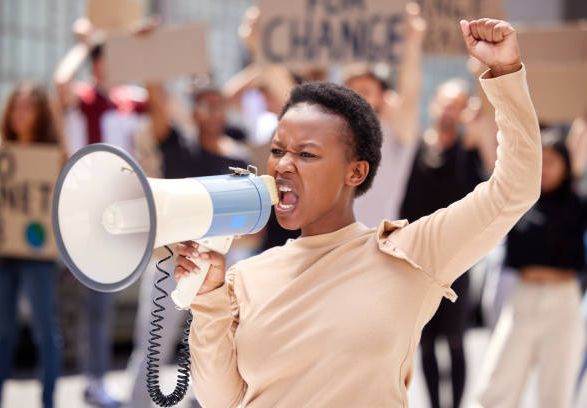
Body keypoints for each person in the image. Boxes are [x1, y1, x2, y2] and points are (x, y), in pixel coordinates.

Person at [174, 18, 542, 407]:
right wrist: (210, 301)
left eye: (307, 153)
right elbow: (220, 401)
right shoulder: (244, 277)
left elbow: (515, 187)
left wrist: (505, 74)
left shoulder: (410, 255)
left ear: (356, 171)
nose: (282, 165)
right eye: (278, 150)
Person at [126, 82, 249, 408]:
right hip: (171, 262)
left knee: (214, 343)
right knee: (152, 347)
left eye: (219, 105)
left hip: (220, 264)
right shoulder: (178, 146)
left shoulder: (239, 158)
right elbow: (156, 104)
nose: (213, 113)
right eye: (206, 105)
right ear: (194, 112)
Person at [53, 18, 151, 408]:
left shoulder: (131, 99)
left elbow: (165, 106)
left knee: (104, 302)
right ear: (96, 65)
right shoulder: (84, 98)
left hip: (122, 211)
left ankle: (95, 379)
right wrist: (82, 43)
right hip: (85, 210)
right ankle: (92, 380)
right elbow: (59, 85)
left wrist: (146, 48)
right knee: (89, 302)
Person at [472, 134, 586, 408]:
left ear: (567, 165)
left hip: (563, 302)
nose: (546, 168)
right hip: (522, 299)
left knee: (555, 393)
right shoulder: (519, 201)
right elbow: (494, 165)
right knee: (496, 387)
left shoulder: (578, 205)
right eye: (541, 161)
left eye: (553, 161)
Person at [399, 78, 485, 408]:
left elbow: (479, 190)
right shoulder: (416, 149)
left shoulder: (468, 151)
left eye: (458, 104)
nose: (450, 110)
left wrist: (473, 135)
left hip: (457, 259)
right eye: (447, 103)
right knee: (426, 340)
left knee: (455, 339)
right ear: (434, 104)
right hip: (418, 260)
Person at [0, 82, 63, 408]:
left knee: (45, 331)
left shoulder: (56, 155)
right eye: (16, 105)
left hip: (37, 256)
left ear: (41, 113)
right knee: (4, 331)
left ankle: (47, 401)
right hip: (2, 254)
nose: (20, 113)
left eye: (28, 106)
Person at [346, 2, 426, 225]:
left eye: (365, 91)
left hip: (376, 241)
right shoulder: (335, 136)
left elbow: (409, 93)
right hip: (334, 244)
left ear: (383, 97)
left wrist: (412, 40)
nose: (356, 97)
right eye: (351, 90)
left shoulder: (396, 134)